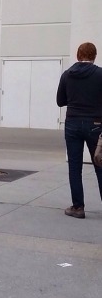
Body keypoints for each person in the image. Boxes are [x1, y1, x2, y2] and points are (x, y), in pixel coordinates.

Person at [56, 42, 102, 218]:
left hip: (73, 123)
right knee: (100, 164)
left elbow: (60, 101)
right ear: (94, 56)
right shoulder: (100, 74)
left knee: (75, 167)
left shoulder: (67, 75)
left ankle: (78, 207)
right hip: (96, 125)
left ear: (77, 55)